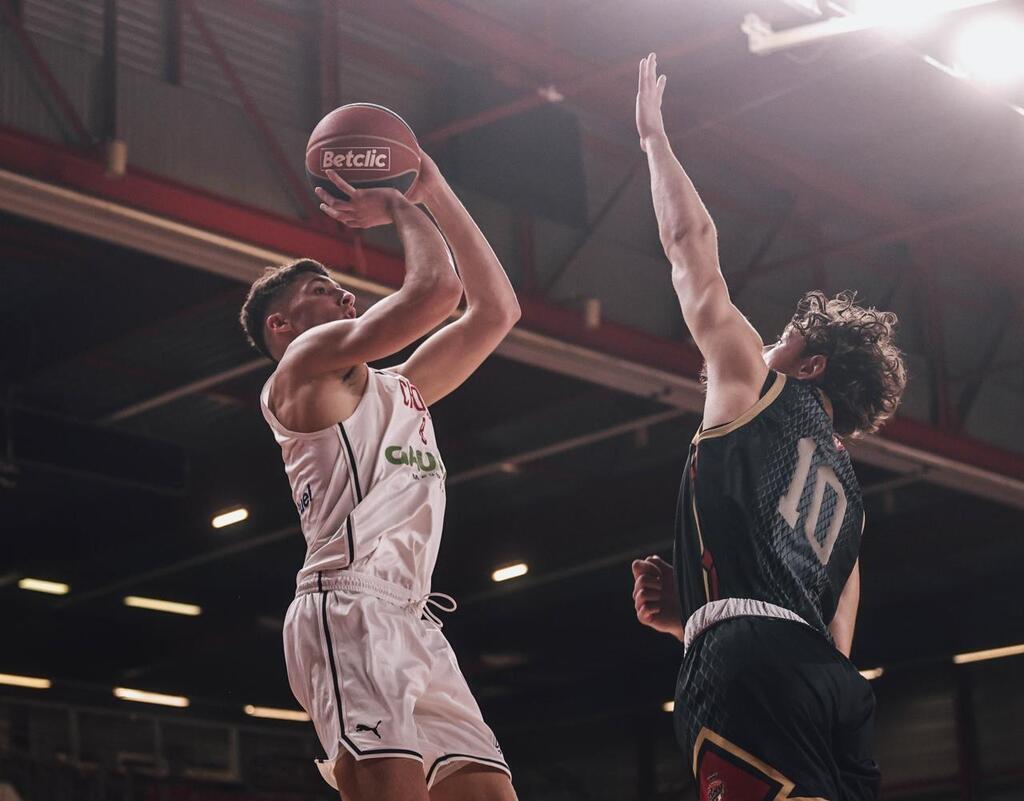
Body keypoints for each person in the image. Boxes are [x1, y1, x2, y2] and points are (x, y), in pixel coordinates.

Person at [629, 53, 907, 801]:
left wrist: (655, 141)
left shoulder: (757, 385)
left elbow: (693, 254)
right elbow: (832, 646)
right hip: (831, 688)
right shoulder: (851, 504)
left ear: (809, 367)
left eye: (781, 336)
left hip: (745, 664)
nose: (763, 344)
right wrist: (694, 614)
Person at [239, 151, 520, 801]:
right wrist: (397, 206)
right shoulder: (302, 367)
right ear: (281, 327)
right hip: (349, 607)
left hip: (415, 618)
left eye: (338, 287)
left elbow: (496, 311)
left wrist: (435, 189)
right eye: (319, 292)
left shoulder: (402, 388)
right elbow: (436, 294)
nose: (342, 293)